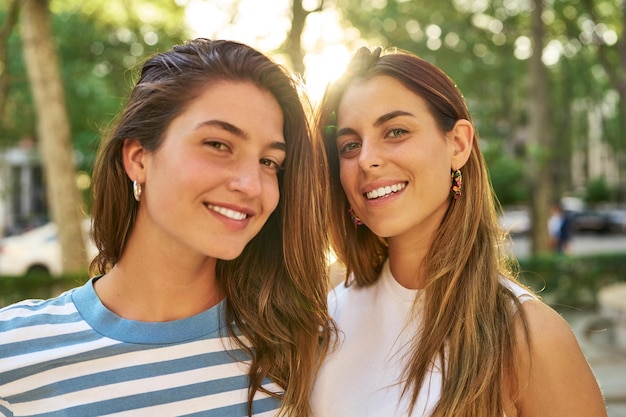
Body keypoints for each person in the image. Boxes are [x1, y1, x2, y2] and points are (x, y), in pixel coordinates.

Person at [0, 38, 333, 417]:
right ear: (139, 158)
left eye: (270, 162)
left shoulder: (303, 351)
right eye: (218, 144)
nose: (251, 185)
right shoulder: (13, 355)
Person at [311, 47, 606, 417]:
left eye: (396, 131)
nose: (367, 159)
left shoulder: (528, 336)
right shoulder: (326, 317)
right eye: (349, 145)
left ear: (458, 144)